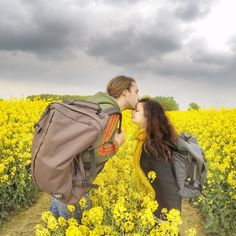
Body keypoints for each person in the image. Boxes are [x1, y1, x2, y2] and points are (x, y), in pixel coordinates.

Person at [50, 75, 139, 220]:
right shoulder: (110, 113)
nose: (138, 97)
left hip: (60, 175)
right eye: (136, 91)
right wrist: (116, 143)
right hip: (75, 185)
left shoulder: (96, 104)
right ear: (125, 92)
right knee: (75, 226)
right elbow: (92, 153)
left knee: (55, 226)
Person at [132, 98, 182, 220]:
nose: (132, 112)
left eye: (137, 110)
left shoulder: (154, 146)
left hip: (161, 212)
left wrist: (171, 218)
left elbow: (168, 184)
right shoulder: (144, 140)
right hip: (152, 205)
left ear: (148, 116)